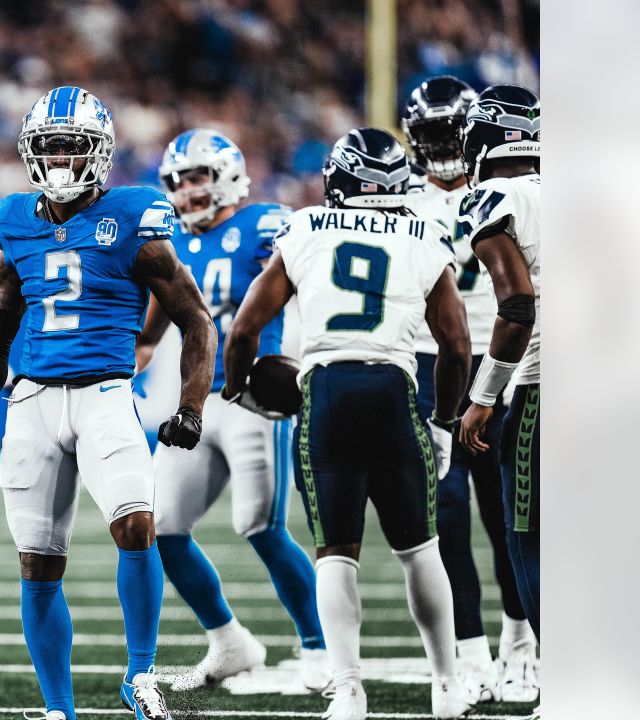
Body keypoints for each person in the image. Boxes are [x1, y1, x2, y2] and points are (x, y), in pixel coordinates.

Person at [0, 86, 214, 720]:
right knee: (38, 564)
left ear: (98, 153)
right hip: (34, 402)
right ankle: (57, 708)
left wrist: (191, 406)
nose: (62, 162)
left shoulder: (132, 216)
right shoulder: (13, 221)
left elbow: (196, 319)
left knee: (136, 524)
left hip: (104, 393)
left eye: (74, 149)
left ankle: (140, 674)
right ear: (30, 154)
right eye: (51, 149)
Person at [222, 128, 475, 720]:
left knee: (336, 554)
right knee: (420, 549)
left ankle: (349, 691)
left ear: (340, 178)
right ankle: (447, 685)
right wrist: (443, 419)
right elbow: (457, 346)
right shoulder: (424, 232)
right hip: (394, 389)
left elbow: (243, 331)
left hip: (327, 392)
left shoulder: (307, 227)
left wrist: (237, 390)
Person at [134, 129, 327, 693]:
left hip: (252, 397)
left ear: (227, 175)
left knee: (260, 525)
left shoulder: (268, 224)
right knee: (162, 526)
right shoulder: (173, 241)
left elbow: (311, 282)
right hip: (195, 401)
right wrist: (121, 373)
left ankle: (319, 645)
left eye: (197, 177)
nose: (187, 191)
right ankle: (229, 641)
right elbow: (149, 332)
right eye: (177, 181)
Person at [401, 76, 537, 703]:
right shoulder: (400, 202)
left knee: (509, 511)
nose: (443, 147)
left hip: (508, 355)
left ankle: (521, 644)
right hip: (441, 363)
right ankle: (473, 651)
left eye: (450, 133)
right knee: (448, 513)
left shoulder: (502, 193)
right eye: (430, 135)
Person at [455, 85, 541, 649]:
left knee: (531, 540)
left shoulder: (493, 196)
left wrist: (484, 396)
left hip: (547, 388)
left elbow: (516, 306)